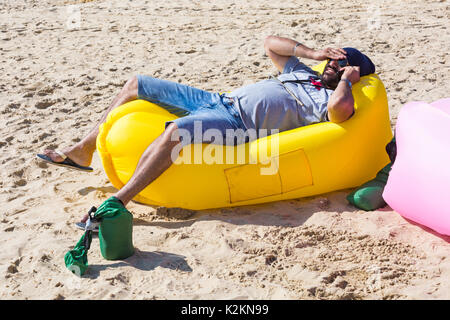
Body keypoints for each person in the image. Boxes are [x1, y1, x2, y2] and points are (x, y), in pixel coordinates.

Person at [37, 35, 375, 224]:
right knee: (136, 83)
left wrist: (346, 80)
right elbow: (270, 43)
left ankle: (118, 202)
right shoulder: (304, 71)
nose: (333, 65)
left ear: (353, 73)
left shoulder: (328, 97)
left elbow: (340, 113)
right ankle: (84, 150)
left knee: (175, 133)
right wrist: (312, 52)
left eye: (342, 64)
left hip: (238, 125)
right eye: (333, 59)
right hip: (217, 100)